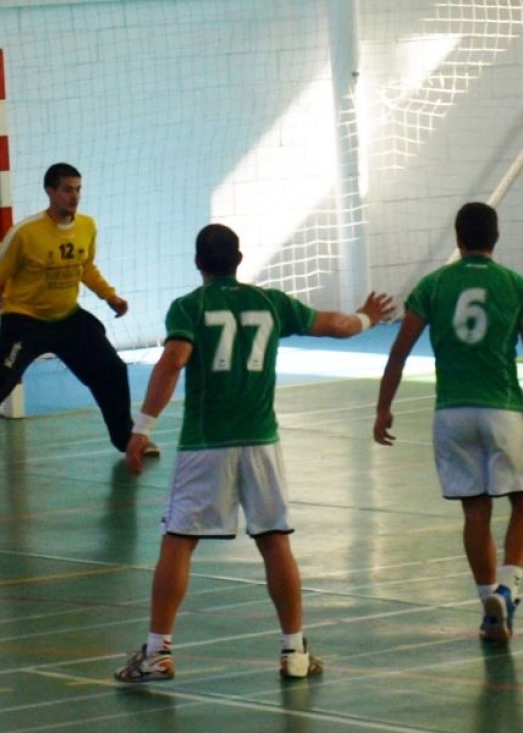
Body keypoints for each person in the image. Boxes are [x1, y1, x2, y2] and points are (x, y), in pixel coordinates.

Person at [113, 223, 397, 682]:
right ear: (239, 260)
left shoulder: (189, 307)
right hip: (262, 442)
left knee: (179, 541)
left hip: (207, 443)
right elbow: (338, 326)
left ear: (197, 263)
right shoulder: (270, 303)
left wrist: (142, 427)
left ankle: (157, 652)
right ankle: (294, 652)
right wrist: (367, 316)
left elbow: (173, 361)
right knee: (273, 540)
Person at [373, 202, 523, 644]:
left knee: (475, 510)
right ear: (496, 237)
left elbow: (398, 351)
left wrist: (383, 407)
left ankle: (487, 607)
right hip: (502, 412)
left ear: (457, 238)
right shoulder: (517, 286)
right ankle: (508, 588)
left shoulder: (434, 285)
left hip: (451, 414)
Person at [0, 163, 159, 480]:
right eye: (67, 189)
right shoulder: (25, 233)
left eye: (78, 189)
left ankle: (126, 440)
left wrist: (110, 296)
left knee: (113, 369)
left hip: (67, 318)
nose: (74, 196)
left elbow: (86, 267)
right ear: (50, 191)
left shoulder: (87, 226)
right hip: (25, 321)